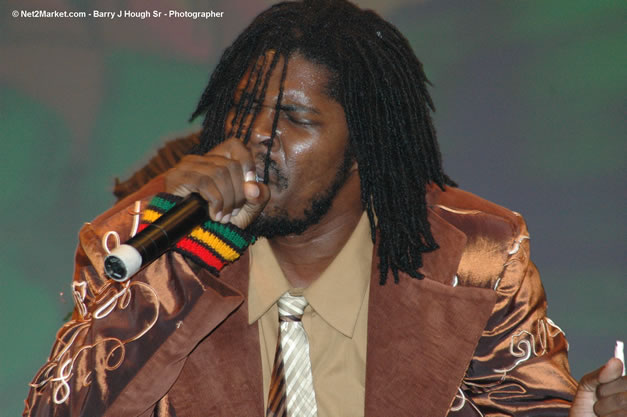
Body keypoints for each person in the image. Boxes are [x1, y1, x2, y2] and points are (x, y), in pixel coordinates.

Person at [24, 1, 625, 416]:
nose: (256, 136)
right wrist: (188, 260)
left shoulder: (476, 255)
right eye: (243, 110)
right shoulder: (136, 239)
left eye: (295, 118)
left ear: (365, 144)